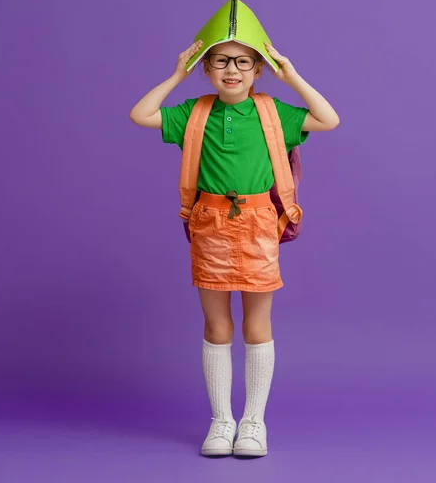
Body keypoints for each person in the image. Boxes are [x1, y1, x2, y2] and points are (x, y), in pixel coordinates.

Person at [130, 37, 340, 457]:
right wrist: (177, 74)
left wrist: (291, 75)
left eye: (244, 62)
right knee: (216, 326)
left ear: (258, 70)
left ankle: (253, 423)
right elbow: (142, 114)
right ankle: (221, 421)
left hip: (260, 223)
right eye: (221, 61)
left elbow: (328, 119)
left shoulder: (272, 112)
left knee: (256, 325)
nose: (233, 70)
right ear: (206, 69)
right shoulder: (196, 112)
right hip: (209, 222)